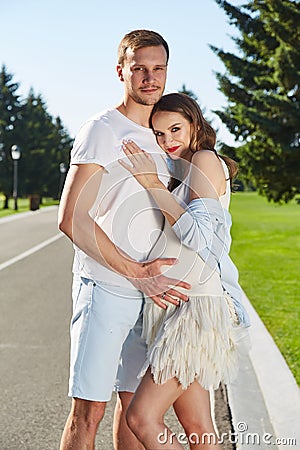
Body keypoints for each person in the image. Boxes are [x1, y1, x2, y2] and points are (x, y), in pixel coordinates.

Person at [58, 31, 191, 450]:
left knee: (133, 408)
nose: (149, 78)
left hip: (150, 294)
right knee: (88, 411)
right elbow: (72, 218)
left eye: (158, 69)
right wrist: (137, 273)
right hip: (106, 288)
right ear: (121, 71)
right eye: (139, 69)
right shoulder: (101, 129)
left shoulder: (162, 133)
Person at [119, 92, 250, 449]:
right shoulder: (183, 172)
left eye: (175, 129)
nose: (168, 141)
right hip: (178, 306)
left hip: (197, 310)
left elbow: (199, 235)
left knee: (141, 418)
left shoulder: (206, 160)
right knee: (199, 427)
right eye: (159, 134)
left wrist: (152, 185)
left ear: (195, 124)